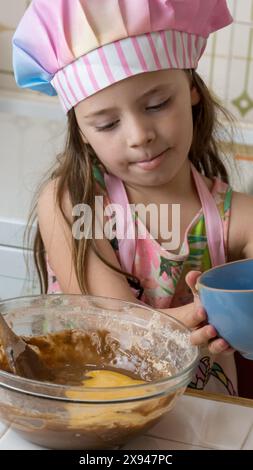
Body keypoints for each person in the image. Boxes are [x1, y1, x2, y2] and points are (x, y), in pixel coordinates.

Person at [12, 0, 253, 397]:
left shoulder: (235, 216)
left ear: (192, 89)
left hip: (201, 415)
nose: (139, 134)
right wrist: (207, 316)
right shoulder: (73, 204)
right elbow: (115, 322)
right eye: (107, 123)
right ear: (82, 130)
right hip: (89, 402)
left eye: (157, 104)